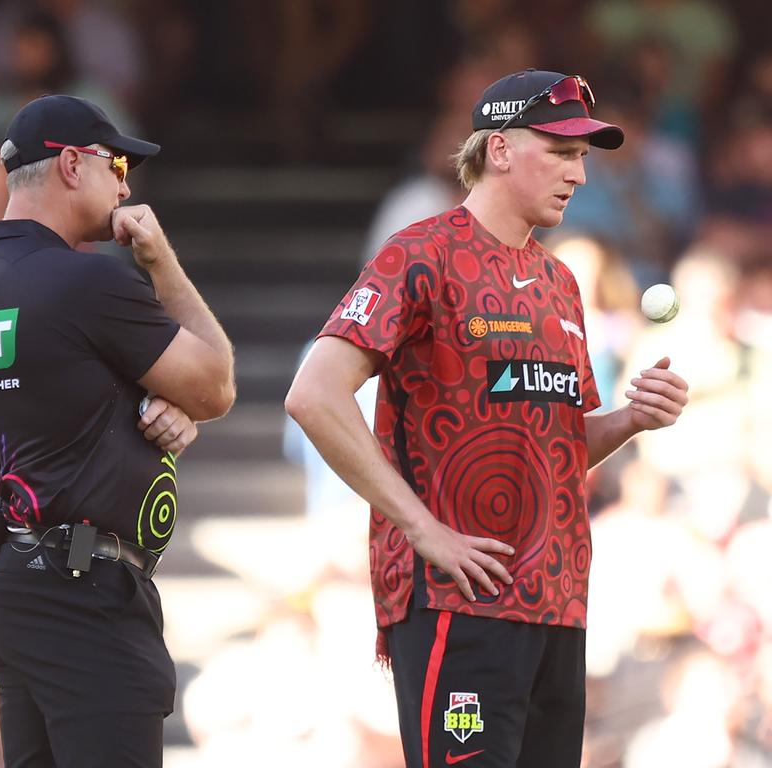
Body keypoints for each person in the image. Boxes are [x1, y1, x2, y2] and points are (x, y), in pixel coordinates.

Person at [284, 69, 689, 768]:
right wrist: (423, 528)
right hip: (460, 597)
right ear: (498, 150)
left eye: (584, 156)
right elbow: (313, 395)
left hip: (557, 603)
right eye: (561, 152)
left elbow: (556, 446)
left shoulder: (562, 281)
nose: (580, 176)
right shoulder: (421, 253)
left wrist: (629, 419)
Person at [0, 94, 235, 767]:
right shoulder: (82, 280)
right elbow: (217, 383)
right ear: (72, 164)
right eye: (115, 164)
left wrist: (156, 413)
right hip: (78, 590)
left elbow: (65, 403)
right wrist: (162, 262)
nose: (126, 184)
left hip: (13, 577)